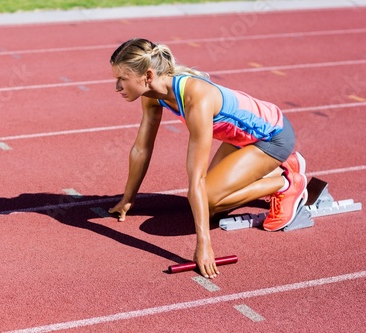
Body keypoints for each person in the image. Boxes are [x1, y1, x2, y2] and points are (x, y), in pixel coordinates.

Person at [107, 38, 308, 279]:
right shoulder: (151, 94)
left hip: (272, 138)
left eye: (122, 79)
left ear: (147, 76)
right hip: (239, 140)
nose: (117, 86)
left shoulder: (197, 98)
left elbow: (196, 178)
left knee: (208, 201)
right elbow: (142, 148)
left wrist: (204, 245)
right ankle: (278, 166)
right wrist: (128, 199)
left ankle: (286, 183)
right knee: (206, 207)